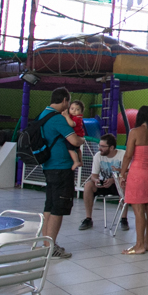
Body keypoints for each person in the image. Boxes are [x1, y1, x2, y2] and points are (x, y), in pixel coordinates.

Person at [38, 87, 84, 259]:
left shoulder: (43, 115)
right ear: (65, 100)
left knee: (49, 204)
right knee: (59, 206)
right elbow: (74, 140)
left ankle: (45, 242)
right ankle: (51, 246)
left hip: (48, 165)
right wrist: (82, 140)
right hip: (61, 166)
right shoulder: (57, 119)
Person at [119, 105, 148, 254]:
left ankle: (139, 245)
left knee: (138, 210)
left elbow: (128, 155)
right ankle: (147, 242)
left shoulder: (134, 132)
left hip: (137, 173)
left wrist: (122, 173)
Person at [78, 134, 126, 231]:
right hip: (103, 183)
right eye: (99, 146)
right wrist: (95, 181)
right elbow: (94, 175)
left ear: (111, 147)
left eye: (103, 146)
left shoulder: (122, 154)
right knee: (88, 185)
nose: (100, 148)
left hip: (117, 182)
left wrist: (113, 180)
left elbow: (128, 173)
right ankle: (88, 218)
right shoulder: (98, 156)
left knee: (123, 185)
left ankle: (124, 219)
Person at [62, 100, 86, 175]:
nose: (74, 111)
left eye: (77, 109)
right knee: (78, 150)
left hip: (76, 136)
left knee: (70, 149)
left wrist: (66, 116)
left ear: (81, 112)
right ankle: (80, 161)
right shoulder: (73, 116)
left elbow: (72, 124)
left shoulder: (77, 118)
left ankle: (76, 162)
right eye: (72, 108)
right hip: (78, 135)